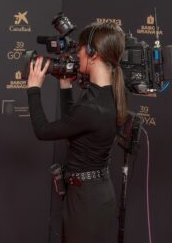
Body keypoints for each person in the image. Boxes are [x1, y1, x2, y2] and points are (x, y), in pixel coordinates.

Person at [26, 21, 126, 243]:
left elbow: (43, 131)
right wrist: (65, 85)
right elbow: (73, 123)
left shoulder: (92, 107)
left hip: (86, 203)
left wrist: (33, 89)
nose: (77, 53)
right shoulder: (107, 96)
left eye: (80, 48)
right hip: (94, 196)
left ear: (93, 53)